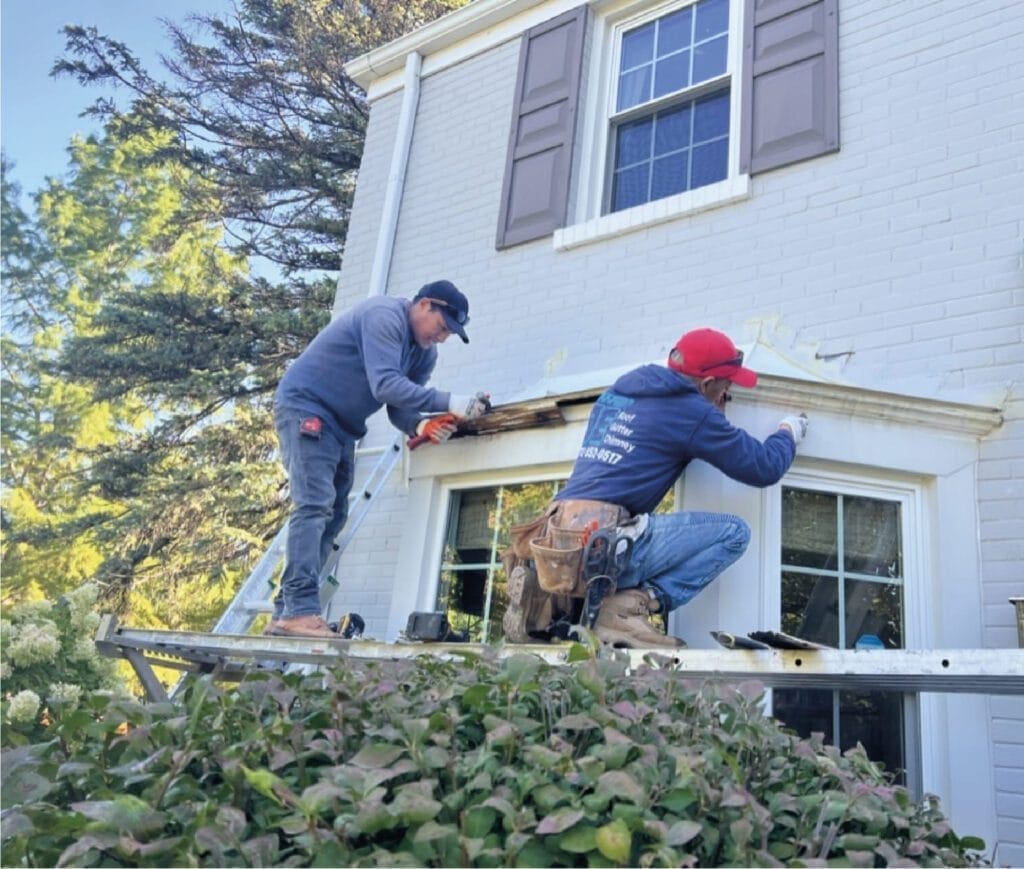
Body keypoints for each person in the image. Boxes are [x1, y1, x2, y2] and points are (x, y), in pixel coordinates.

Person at [505, 327, 807, 648]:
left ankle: (552, 598)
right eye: (727, 381)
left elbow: (648, 444)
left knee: (596, 562)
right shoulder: (691, 412)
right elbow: (763, 466)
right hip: (607, 543)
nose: (729, 387)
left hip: (558, 533)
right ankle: (626, 609)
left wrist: (707, 415)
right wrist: (789, 430)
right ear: (707, 384)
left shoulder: (621, 392)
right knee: (734, 533)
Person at [268, 280, 489, 638]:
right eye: (443, 327)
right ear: (424, 305)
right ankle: (299, 609)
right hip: (306, 407)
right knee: (314, 505)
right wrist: (449, 401)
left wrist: (423, 424)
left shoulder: (423, 354)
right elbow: (384, 385)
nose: (443, 337)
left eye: (450, 333)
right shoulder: (384, 315)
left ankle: (285, 616)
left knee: (334, 514)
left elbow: (399, 409)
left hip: (342, 426)